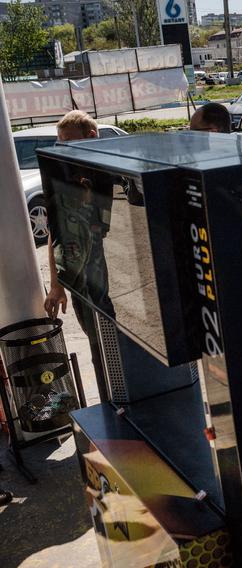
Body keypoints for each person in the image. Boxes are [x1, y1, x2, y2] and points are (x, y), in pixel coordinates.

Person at [44, 111, 115, 391]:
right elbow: (56, 232)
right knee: (100, 353)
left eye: (69, 141)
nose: (63, 148)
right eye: (59, 142)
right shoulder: (67, 179)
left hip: (115, 293)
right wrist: (56, 284)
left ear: (92, 137)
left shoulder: (113, 173)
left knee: (115, 350)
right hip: (86, 291)